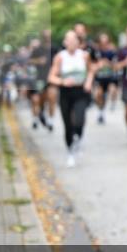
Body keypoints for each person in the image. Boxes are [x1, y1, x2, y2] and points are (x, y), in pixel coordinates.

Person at [47, 30, 95, 167]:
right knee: (68, 124)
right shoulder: (60, 57)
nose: (72, 43)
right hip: (66, 93)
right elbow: (51, 77)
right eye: (69, 40)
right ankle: (70, 152)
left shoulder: (84, 55)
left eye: (75, 40)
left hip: (80, 92)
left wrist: (88, 82)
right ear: (65, 43)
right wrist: (62, 82)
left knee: (79, 120)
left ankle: (78, 138)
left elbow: (91, 70)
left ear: (78, 42)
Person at [93, 32, 118, 125]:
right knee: (98, 95)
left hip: (110, 77)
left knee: (113, 90)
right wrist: (98, 65)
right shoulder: (96, 52)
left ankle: (112, 102)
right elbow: (91, 64)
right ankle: (101, 111)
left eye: (105, 42)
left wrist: (108, 63)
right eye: (102, 42)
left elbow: (116, 66)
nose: (104, 44)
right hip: (99, 78)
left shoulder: (112, 52)